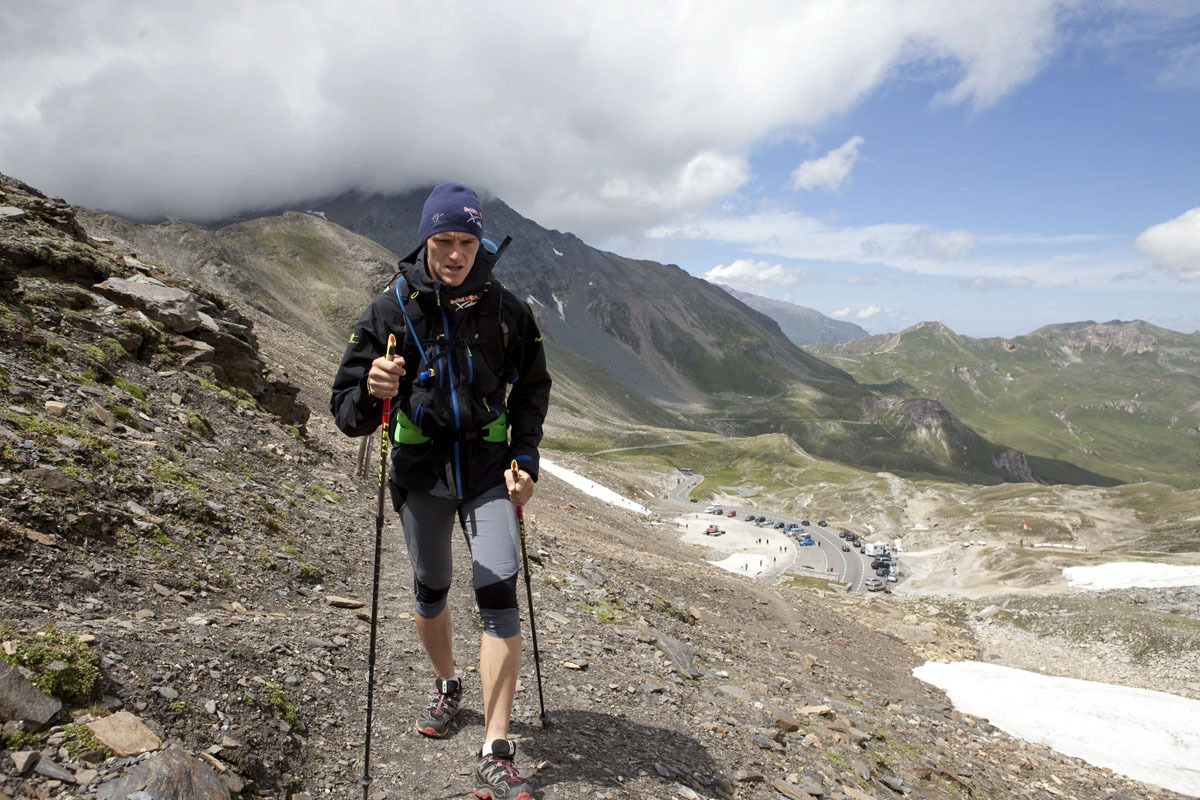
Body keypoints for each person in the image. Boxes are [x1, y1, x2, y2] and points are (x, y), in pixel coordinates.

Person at [330, 183, 551, 800]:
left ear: (481, 243)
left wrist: (526, 458)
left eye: (466, 242)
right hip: (422, 471)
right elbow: (344, 410)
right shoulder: (391, 310)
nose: (455, 254)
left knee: (498, 591)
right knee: (431, 587)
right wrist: (371, 390)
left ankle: (496, 747)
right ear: (425, 239)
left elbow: (532, 389)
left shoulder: (507, 310)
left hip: (487, 469)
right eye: (443, 240)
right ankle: (449, 683)